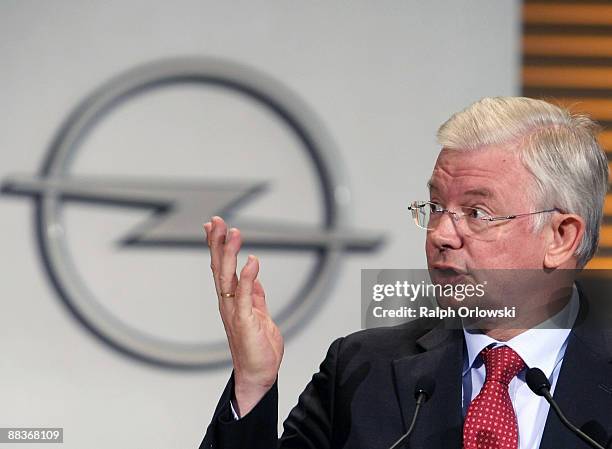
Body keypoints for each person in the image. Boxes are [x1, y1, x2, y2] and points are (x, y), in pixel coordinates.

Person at [198, 97, 612, 449]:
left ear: (561, 237)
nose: (442, 235)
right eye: (435, 208)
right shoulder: (361, 371)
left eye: (476, 213)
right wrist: (252, 383)